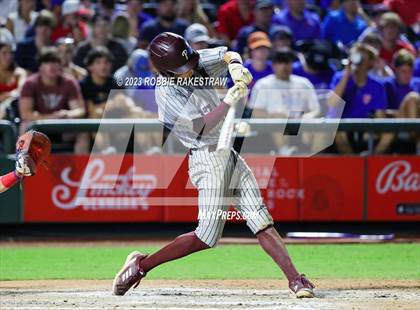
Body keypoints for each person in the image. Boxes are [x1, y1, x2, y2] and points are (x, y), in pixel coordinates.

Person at [112, 32, 315, 298]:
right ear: (167, 71)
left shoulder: (193, 61)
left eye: (190, 63)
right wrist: (229, 99)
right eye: (183, 69)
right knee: (207, 235)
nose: (191, 70)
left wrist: (236, 67)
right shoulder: (166, 92)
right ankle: (141, 265)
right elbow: (200, 127)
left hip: (227, 152)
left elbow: (226, 53)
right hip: (205, 158)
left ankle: (295, 280)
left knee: (260, 220)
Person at [250, 48, 320, 154]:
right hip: (273, 128)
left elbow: (316, 110)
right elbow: (255, 112)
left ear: (291, 64)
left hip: (301, 123)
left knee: (322, 131)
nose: (283, 66)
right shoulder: (263, 84)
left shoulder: (303, 83)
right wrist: (273, 117)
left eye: (287, 62)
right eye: (279, 62)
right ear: (273, 65)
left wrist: (304, 119)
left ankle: (315, 162)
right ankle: (285, 153)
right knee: (278, 120)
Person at [18, 47, 87, 152]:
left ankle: (82, 168)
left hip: (62, 127)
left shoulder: (69, 82)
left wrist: (67, 114)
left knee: (82, 133)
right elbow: (26, 114)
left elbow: (80, 110)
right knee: (25, 128)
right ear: (40, 66)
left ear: (60, 65)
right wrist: (51, 117)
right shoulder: (30, 83)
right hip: (39, 128)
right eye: (47, 62)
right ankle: (24, 167)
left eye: (55, 61)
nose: (52, 65)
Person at [327, 43, 389, 154]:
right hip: (343, 125)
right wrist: (346, 76)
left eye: (362, 58)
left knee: (389, 133)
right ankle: (355, 165)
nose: (358, 62)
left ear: (370, 63)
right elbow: (332, 103)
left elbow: (380, 117)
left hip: (366, 126)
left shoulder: (377, 86)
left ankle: (373, 161)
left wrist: (375, 128)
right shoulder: (340, 78)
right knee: (337, 131)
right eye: (356, 56)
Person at [0, 41, 27, 117]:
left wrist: (5, 96)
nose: (9, 56)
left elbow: (22, 91)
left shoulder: (20, 73)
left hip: (15, 108)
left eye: (11, 53)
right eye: (4, 53)